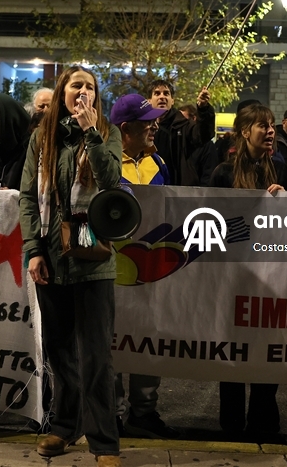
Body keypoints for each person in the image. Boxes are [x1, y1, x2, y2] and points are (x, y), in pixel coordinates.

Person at [20, 66, 122, 466]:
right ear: (62, 92)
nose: (83, 91)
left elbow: (112, 181)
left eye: (90, 87)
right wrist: (34, 249)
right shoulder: (41, 139)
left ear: (97, 98)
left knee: (96, 354)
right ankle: (65, 427)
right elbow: (28, 197)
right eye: (76, 85)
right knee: (60, 351)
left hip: (89, 251)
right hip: (51, 253)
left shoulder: (107, 133)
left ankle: (104, 442)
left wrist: (91, 134)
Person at [211, 102, 287, 443]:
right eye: (263, 126)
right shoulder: (222, 173)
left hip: (272, 276)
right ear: (246, 132)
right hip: (232, 276)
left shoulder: (283, 169)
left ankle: (263, 419)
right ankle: (231, 424)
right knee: (233, 352)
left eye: (272, 125)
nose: (271, 131)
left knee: (267, 349)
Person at [108, 94, 178, 439]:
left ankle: (144, 413)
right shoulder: (101, 162)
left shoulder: (160, 164)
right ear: (125, 129)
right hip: (110, 273)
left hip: (150, 273)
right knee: (111, 345)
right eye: (147, 121)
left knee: (148, 341)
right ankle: (114, 415)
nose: (154, 125)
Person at [148, 79, 214, 186]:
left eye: (166, 93)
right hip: (150, 186)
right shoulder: (143, 126)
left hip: (176, 189)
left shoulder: (183, 125)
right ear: (149, 100)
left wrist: (203, 109)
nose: (162, 97)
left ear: (172, 101)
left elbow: (203, 135)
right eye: (157, 93)